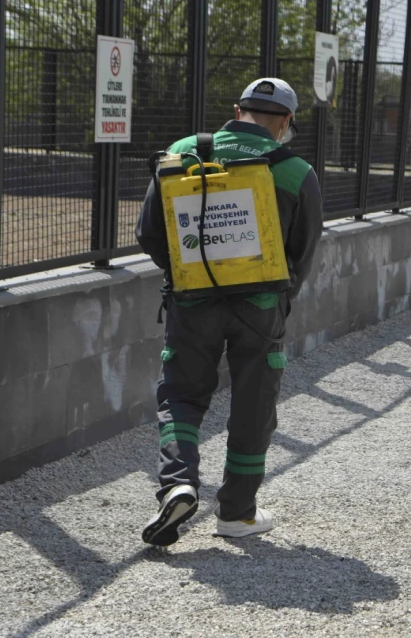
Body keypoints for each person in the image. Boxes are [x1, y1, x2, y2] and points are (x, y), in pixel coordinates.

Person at [135, 78, 323, 546]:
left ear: (237, 110)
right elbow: (303, 253)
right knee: (253, 402)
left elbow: (148, 232)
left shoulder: (183, 151)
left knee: (180, 393)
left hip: (191, 302)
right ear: (286, 122)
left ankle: (177, 482)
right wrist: (279, 298)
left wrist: (186, 275)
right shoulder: (296, 171)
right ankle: (237, 514)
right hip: (260, 308)